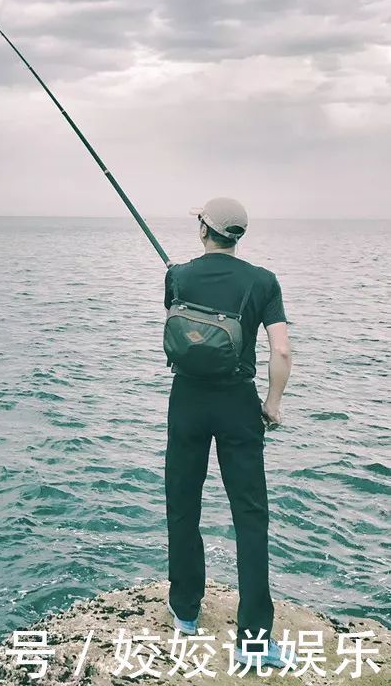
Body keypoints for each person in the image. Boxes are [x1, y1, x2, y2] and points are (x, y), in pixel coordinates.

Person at [163, 197, 293, 670]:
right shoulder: (263, 281)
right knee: (250, 519)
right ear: (238, 235)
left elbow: (183, 332)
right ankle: (254, 642)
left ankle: (185, 613)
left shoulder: (176, 274)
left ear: (204, 229)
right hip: (239, 405)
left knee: (183, 504)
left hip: (187, 402)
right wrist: (272, 405)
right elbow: (281, 351)